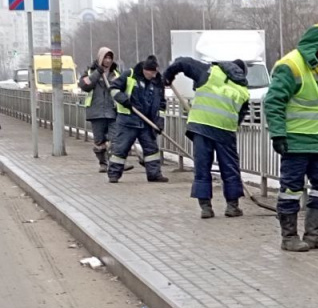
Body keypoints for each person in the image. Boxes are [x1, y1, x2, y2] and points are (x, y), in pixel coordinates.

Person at [264, 21, 318, 252]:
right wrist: (278, 133)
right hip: (295, 140)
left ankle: (313, 234)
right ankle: (289, 237)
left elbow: (317, 103)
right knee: (291, 188)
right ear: (317, 45)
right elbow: (274, 102)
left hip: (317, 140)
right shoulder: (291, 66)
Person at [163, 57, 251, 219]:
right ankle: (232, 206)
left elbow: (183, 62)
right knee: (230, 168)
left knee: (202, 167)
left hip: (201, 126)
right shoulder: (243, 89)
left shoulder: (210, 72)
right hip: (225, 130)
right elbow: (240, 116)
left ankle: (206, 208)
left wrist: (168, 75)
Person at [107, 55, 168, 184]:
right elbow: (113, 89)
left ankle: (154, 174)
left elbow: (162, 104)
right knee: (120, 149)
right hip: (128, 120)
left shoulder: (157, 81)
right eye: (151, 72)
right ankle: (114, 174)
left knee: (152, 150)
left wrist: (159, 121)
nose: (153, 75)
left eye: (155, 72)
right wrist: (123, 100)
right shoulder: (130, 75)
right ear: (145, 70)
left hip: (147, 121)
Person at [78, 47, 132, 173]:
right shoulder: (90, 71)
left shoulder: (116, 74)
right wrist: (97, 72)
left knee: (115, 139)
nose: (108, 60)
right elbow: (85, 86)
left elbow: (123, 89)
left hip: (112, 111)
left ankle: (116, 163)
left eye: (110, 58)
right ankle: (103, 163)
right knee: (99, 141)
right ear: (100, 58)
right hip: (96, 112)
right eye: (106, 57)